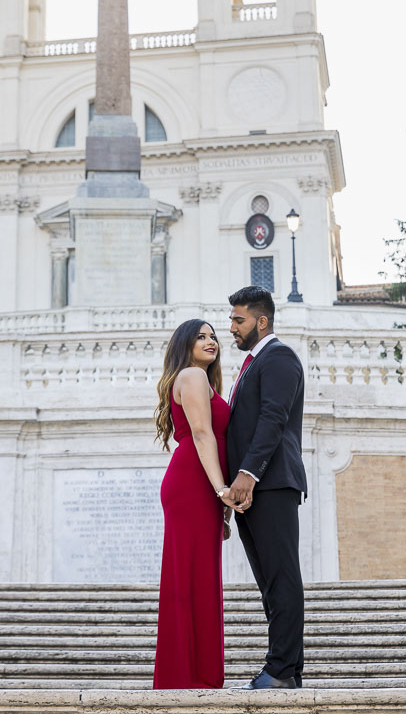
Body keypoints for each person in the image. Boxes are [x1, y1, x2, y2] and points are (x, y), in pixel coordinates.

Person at [226, 286, 307, 690]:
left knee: (282, 578)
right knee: (271, 583)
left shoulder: (279, 358)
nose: (232, 329)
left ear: (262, 321)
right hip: (254, 490)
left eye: (238, 321)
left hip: (271, 484)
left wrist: (248, 474)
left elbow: (273, 418)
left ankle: (278, 671)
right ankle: (287, 671)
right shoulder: (253, 364)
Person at [153, 319, 240, 689]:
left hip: (200, 483)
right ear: (185, 345)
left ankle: (196, 673)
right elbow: (203, 435)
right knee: (189, 577)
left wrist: (217, 496)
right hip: (192, 483)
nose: (211, 341)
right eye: (201, 337)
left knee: (200, 576)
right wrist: (223, 491)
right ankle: (186, 675)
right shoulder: (191, 376)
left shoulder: (202, 380)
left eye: (213, 336)